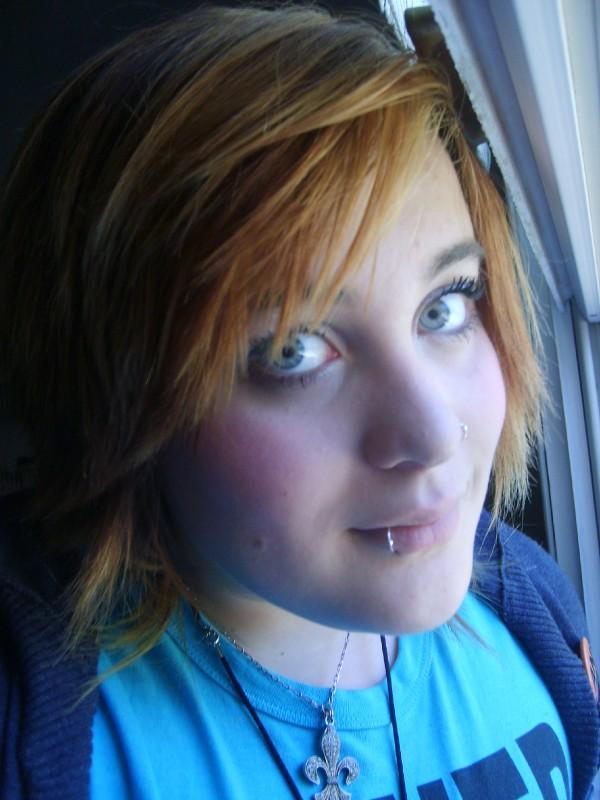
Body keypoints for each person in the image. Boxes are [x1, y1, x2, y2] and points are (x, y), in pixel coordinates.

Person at [0, 4, 598, 799]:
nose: (434, 434)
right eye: (292, 350)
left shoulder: (536, 622)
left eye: (445, 306)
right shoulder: (48, 732)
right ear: (119, 400)